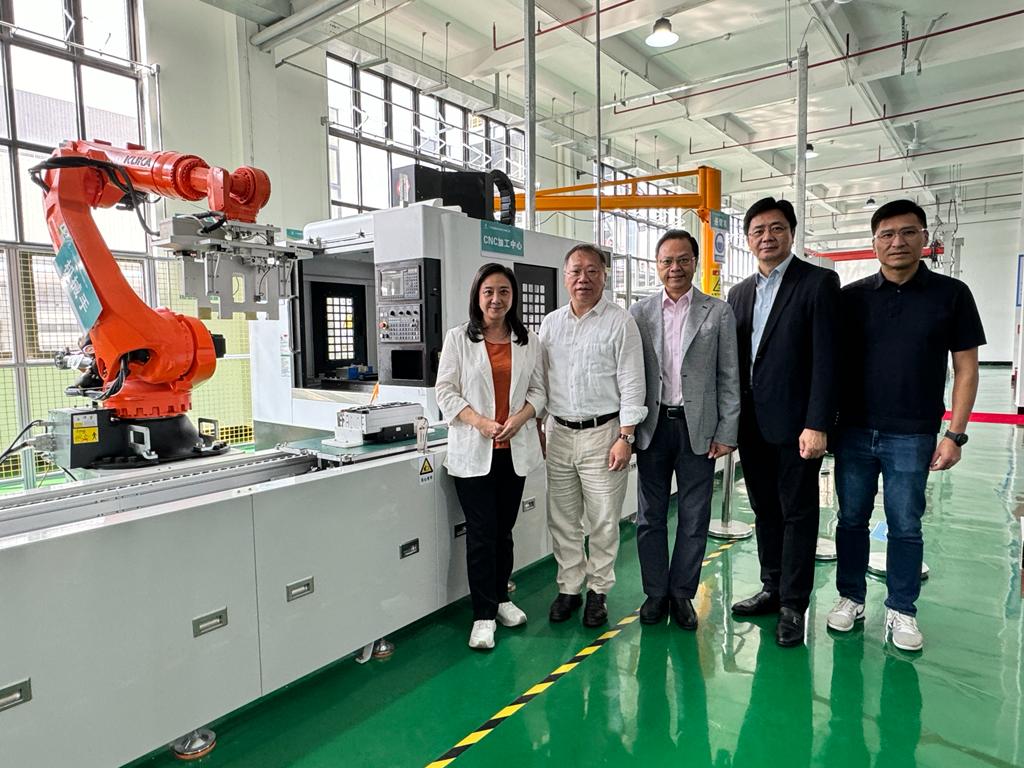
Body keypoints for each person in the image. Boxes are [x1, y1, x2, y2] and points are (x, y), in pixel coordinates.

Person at [826, 199, 984, 651]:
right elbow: (829, 363)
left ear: (924, 238)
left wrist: (954, 434)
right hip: (854, 430)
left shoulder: (951, 295)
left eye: (908, 232)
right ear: (874, 243)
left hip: (913, 434)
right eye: (887, 234)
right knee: (851, 519)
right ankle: (851, 597)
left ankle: (901, 608)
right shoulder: (851, 298)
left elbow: (966, 368)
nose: (898, 242)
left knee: (905, 524)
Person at [727, 196, 840, 647]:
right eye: (758, 230)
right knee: (764, 509)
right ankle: (771, 587)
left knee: (798, 512)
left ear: (791, 233)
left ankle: (794, 603)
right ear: (747, 239)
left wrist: (818, 422)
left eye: (776, 228)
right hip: (751, 424)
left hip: (798, 426)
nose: (767, 237)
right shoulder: (739, 293)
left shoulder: (817, 283)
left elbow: (827, 359)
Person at [629, 230, 740, 629]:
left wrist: (727, 431)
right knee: (649, 516)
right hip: (653, 426)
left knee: (694, 516)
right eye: (666, 261)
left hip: (699, 429)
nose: (674, 268)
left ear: (695, 261)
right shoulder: (639, 313)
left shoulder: (717, 312)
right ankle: (655, 592)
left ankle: (681, 594)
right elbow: (630, 374)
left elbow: (729, 375)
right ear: (656, 265)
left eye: (682, 260)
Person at [435, 263, 546, 650]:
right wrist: (480, 422)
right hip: (473, 452)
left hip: (513, 452)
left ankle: (501, 599)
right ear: (477, 296)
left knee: (503, 531)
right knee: (482, 534)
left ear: (513, 297)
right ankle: (482, 616)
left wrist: (520, 417)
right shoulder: (458, 339)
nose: (496, 299)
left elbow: (539, 391)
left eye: (503, 291)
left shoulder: (528, 341)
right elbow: (445, 392)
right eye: (489, 292)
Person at [540, 244, 646, 628]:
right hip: (559, 432)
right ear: (565, 276)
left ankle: (598, 590)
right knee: (563, 518)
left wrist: (626, 436)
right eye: (575, 271)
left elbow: (633, 383)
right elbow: (540, 380)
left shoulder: (620, 322)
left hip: (604, 434)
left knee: (602, 519)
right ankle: (569, 587)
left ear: (604, 275)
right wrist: (538, 424)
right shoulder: (551, 324)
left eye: (591, 271)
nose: (583, 279)